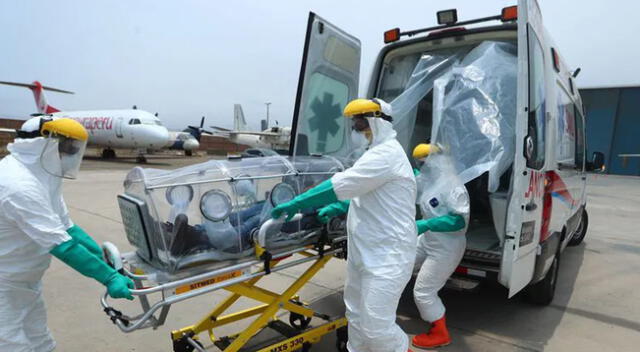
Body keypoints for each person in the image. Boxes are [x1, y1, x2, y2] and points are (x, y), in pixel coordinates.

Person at [272, 98, 417, 352]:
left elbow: (340, 184)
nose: (355, 131)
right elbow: (364, 194)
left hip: (388, 255)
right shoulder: (372, 154)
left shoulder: (387, 154)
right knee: (357, 319)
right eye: (353, 125)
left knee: (376, 327)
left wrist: (299, 201)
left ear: (377, 122)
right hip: (364, 252)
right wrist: (337, 208)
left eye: (360, 124)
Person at [0, 116, 134, 351]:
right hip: (4, 284)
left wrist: (104, 259)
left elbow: (67, 229)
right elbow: (62, 245)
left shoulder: (43, 178)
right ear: (43, 145)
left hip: (24, 281)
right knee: (12, 345)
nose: (69, 155)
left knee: (40, 339)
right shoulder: (15, 184)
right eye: (65, 148)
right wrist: (108, 277)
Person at [411, 143, 470, 349]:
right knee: (399, 267)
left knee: (423, 291)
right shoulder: (429, 180)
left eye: (424, 162)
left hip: (447, 246)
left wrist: (427, 223)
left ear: (438, 159)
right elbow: (411, 181)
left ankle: (440, 333)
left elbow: (459, 221)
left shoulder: (452, 185)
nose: (421, 166)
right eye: (418, 163)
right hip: (428, 240)